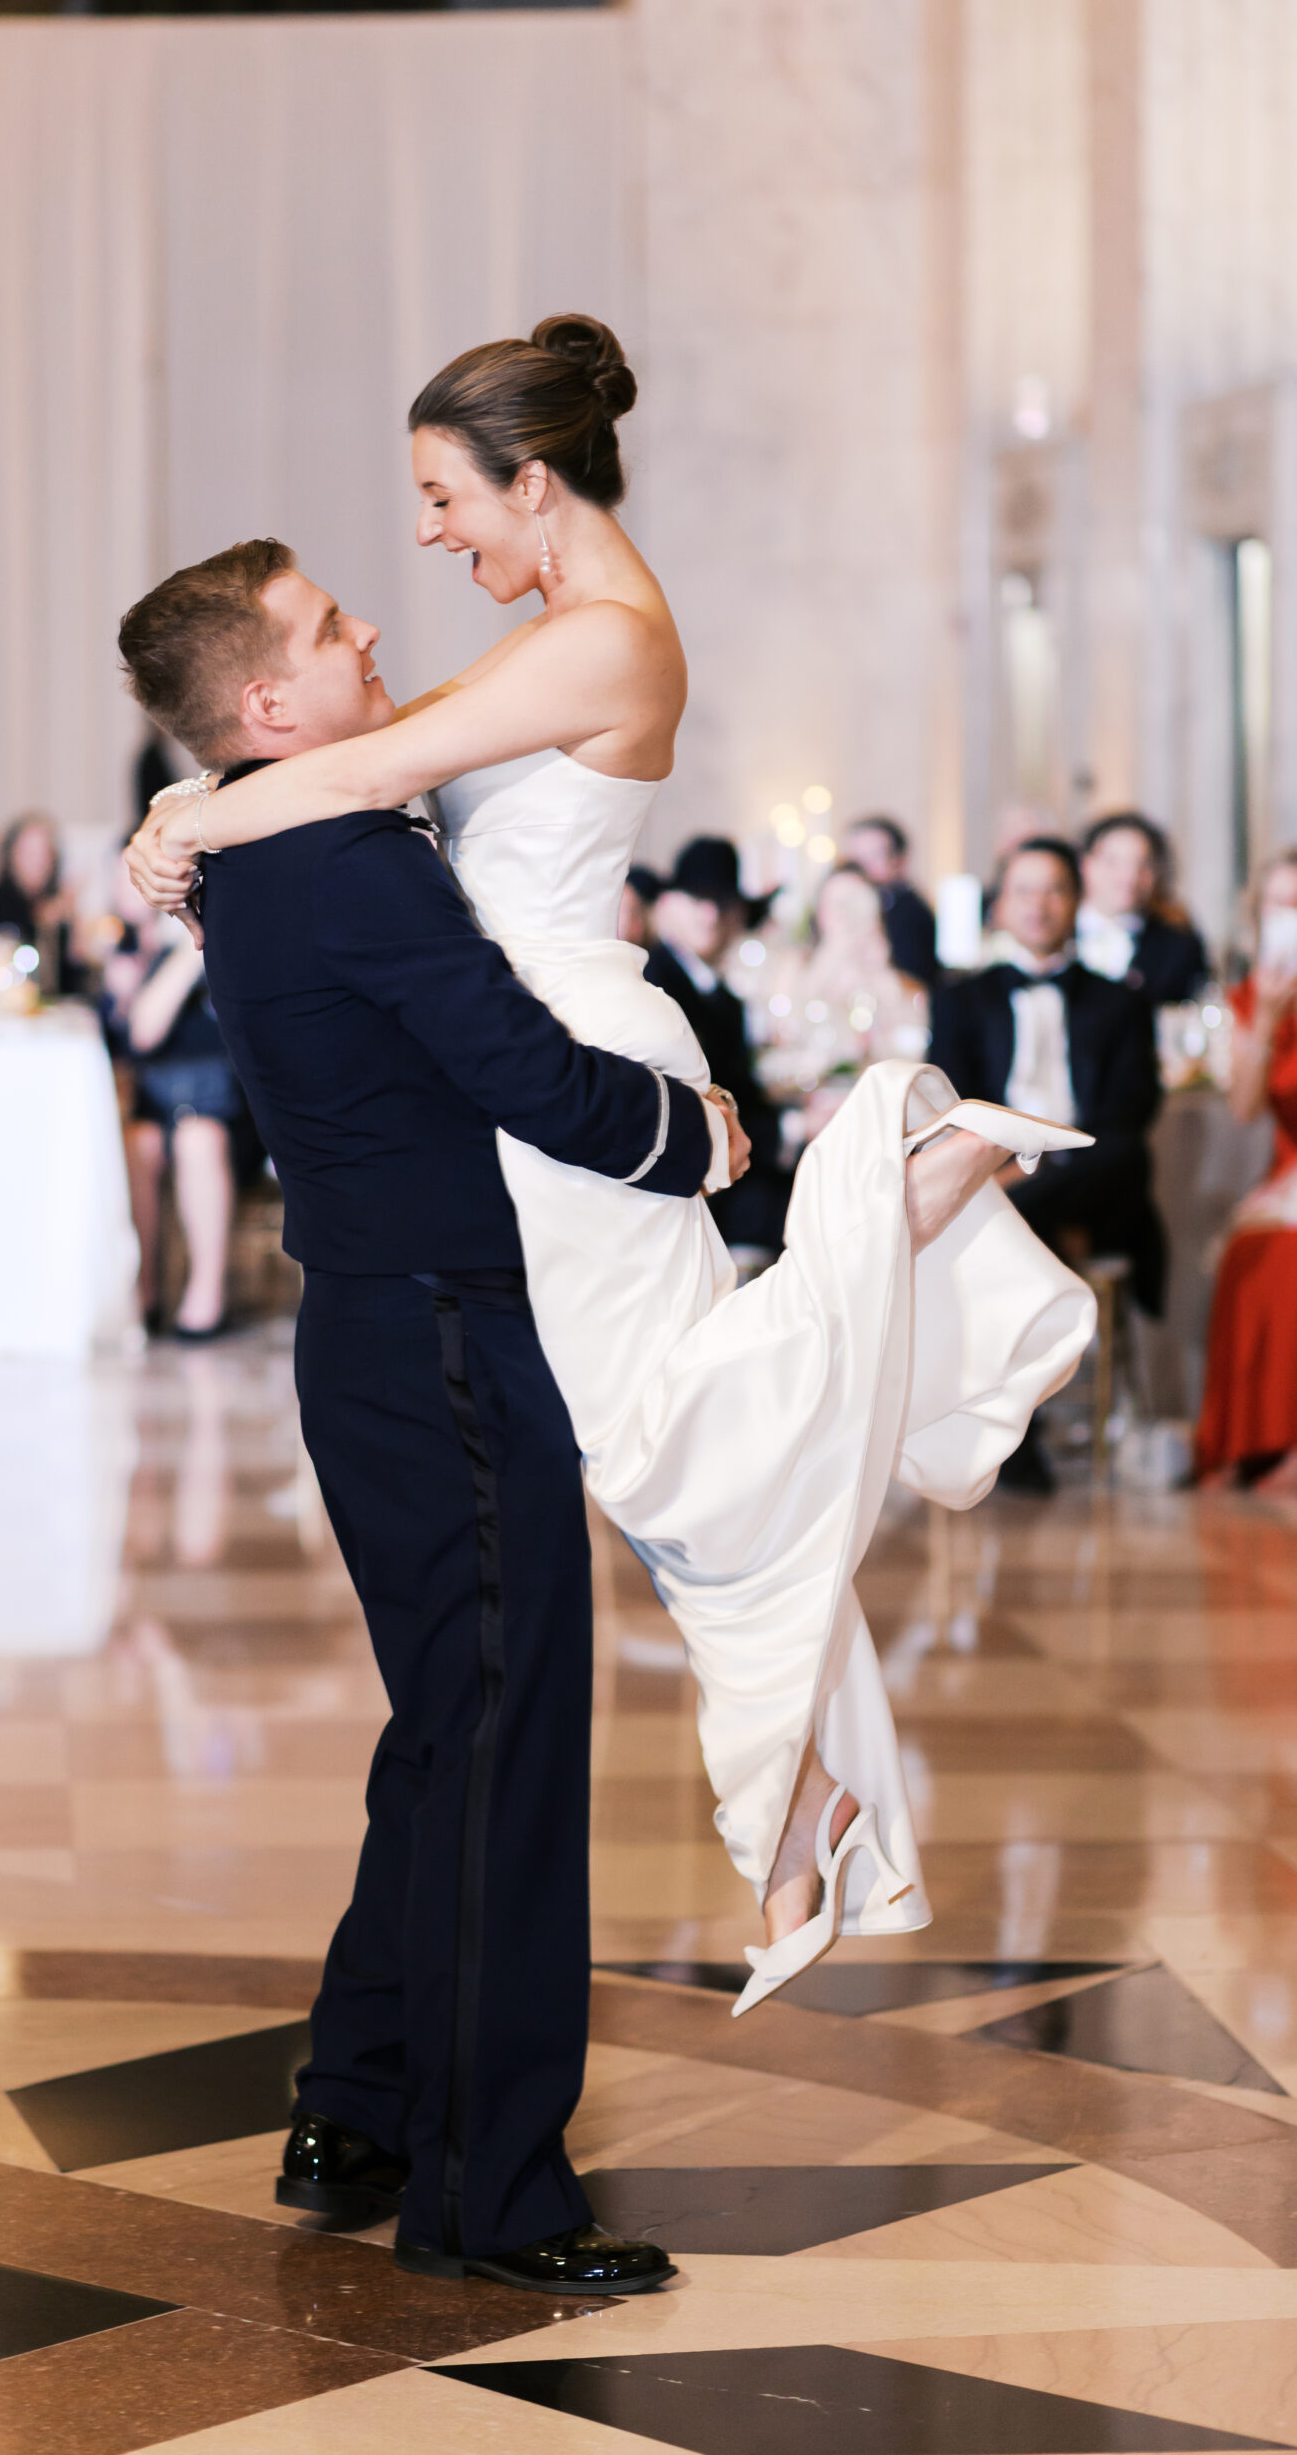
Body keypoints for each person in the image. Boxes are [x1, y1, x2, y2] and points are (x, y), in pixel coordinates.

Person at [128, 315, 1092, 2026]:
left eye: (443, 499)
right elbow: (357, 753)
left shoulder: (607, 643)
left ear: (534, 480)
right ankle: (800, 1787)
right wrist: (207, 798)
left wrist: (187, 818)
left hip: (556, 1054)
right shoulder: (564, 641)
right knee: (649, 1441)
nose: (428, 540)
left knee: (649, 1443)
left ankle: (889, 1201)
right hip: (537, 1046)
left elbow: (352, 765)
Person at [120, 541, 736, 2297]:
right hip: (450, 1345)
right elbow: (517, 1072)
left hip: (384, 1340)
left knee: (444, 1732)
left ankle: (362, 2098)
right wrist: (689, 1134)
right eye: (329, 627)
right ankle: (488, 2192)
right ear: (264, 704)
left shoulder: (261, 828)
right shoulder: (328, 854)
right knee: (503, 1753)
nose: (372, 624)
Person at [930, 836, 1163, 1492]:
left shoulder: (1119, 1001)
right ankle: (1015, 1430)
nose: (1038, 905)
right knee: (1011, 1221)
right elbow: (948, 1107)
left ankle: (1004, 1429)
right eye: (1023, 890)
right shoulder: (960, 1000)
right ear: (1001, 905)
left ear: (1076, 901)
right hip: (997, 1173)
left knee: (1120, 1151)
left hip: (1086, 1179)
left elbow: (1128, 1114)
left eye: (1053, 889)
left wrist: (1015, 1182)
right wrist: (1002, 1170)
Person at [1195, 851, 1297, 1490]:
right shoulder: (1248, 999)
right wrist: (1265, 1020)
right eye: (1278, 906)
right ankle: (1255, 1441)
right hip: (1286, 1168)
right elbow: (1244, 1108)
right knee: (1252, 1251)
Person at [105, 895, 241, 1339]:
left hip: (227, 1106)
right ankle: (145, 1290)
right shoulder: (120, 949)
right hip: (156, 1102)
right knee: (136, 1142)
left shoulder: (221, 935)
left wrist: (193, 941)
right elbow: (143, 1033)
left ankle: (206, 1293)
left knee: (196, 1138)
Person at [645, 837, 789, 1255]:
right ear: (670, 904)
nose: (711, 916)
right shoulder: (657, 984)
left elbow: (743, 1091)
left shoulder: (723, 997)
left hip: (731, 1167)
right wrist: (788, 1130)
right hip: (689, 1190)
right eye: (697, 899)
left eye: (723, 903)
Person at [762, 863, 930, 1115]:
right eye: (837, 905)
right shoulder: (795, 969)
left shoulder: (895, 982)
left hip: (880, 1109)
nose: (847, 916)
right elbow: (783, 1036)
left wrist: (881, 977)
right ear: (819, 911)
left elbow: (910, 1052)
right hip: (810, 1108)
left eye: (856, 904)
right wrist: (828, 962)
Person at [1077, 810, 1210, 1007]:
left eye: (1142, 864)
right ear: (1086, 865)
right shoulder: (1055, 935)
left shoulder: (1179, 946)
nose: (1129, 877)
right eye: (1113, 862)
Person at [0, 812, 80, 996]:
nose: (38, 861)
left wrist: (74, 924)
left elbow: (72, 975)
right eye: (29, 852)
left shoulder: (59, 900)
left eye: (44, 853)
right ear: (12, 854)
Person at [843, 814, 938, 985]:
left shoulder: (909, 913)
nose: (862, 868)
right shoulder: (859, 905)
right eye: (855, 860)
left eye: (873, 856)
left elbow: (913, 982)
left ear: (898, 861)